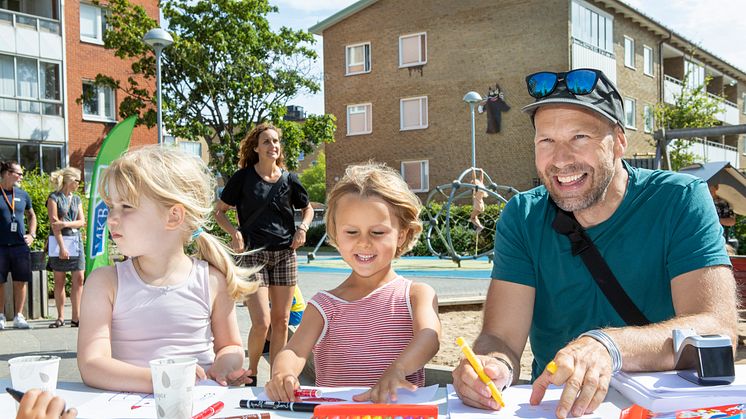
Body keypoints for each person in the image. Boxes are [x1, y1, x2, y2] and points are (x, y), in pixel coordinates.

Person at [452, 68, 738, 418]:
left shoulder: (680, 199)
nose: (560, 159)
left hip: (662, 408)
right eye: (546, 141)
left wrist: (610, 346)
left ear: (619, 141)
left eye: (580, 137)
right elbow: (501, 338)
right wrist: (492, 367)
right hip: (560, 408)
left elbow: (718, 329)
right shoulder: (522, 216)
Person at [77, 146, 259, 392]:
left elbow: (231, 346)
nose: (111, 218)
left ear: (173, 216)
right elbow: (92, 364)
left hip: (197, 404)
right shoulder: (105, 283)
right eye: (111, 206)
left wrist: (225, 364)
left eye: (126, 207)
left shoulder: (211, 280)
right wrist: (162, 379)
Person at [265, 162, 441, 403]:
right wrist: (282, 373)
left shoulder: (415, 295)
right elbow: (294, 350)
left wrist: (398, 369)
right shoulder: (324, 305)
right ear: (336, 233)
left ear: (401, 234)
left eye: (377, 232)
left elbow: (429, 338)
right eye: (351, 232)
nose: (364, 243)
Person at [214, 122, 314, 383]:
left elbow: (308, 209)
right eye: (267, 141)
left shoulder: (289, 179)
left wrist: (302, 228)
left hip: (284, 255)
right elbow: (219, 211)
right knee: (263, 322)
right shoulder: (243, 178)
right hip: (253, 255)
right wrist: (234, 233)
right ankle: (253, 372)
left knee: (281, 321)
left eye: (276, 141)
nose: (273, 146)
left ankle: (277, 376)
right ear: (256, 148)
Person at [46, 167, 86, 328]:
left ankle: (76, 317)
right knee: (59, 280)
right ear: (70, 181)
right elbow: (55, 225)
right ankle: (61, 316)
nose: (79, 184)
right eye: (77, 180)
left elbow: (81, 221)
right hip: (59, 242)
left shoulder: (77, 199)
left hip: (76, 241)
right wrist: (62, 247)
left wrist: (66, 224)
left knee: (79, 279)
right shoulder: (53, 198)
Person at [0, 161, 37, 330]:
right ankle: (0, 316)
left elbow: (32, 216)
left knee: (20, 281)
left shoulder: (23, 194)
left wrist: (32, 234)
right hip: (0, 247)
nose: (22, 176)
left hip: (20, 246)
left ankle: (18, 316)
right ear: (7, 173)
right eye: (19, 173)